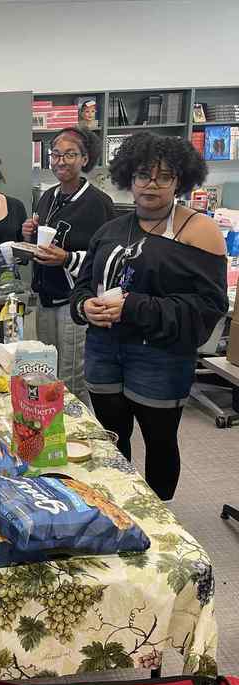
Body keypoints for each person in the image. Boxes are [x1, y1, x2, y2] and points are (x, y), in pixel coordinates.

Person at [70, 132, 228, 501]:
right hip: (104, 351)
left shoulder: (198, 231)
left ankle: (160, 516)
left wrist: (133, 306)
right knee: (111, 438)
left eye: (164, 176)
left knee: (158, 440)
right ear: (130, 178)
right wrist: (85, 308)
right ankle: (120, 505)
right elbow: (81, 288)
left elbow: (207, 308)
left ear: (180, 180)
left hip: (161, 356)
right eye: (143, 174)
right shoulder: (111, 230)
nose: (151, 184)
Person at [22, 127, 113, 404]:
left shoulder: (98, 203)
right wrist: (29, 234)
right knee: (51, 370)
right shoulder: (49, 196)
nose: (61, 161)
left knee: (72, 377)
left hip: (73, 301)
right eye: (56, 154)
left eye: (70, 154)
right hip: (47, 296)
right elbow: (46, 243)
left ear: (85, 159)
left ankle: (79, 439)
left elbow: (107, 260)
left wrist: (66, 258)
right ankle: (53, 428)